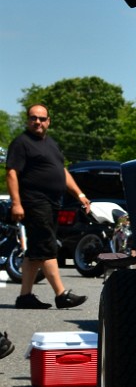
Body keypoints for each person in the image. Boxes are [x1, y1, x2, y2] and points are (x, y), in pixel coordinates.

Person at [5, 105, 90, 310]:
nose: (38, 122)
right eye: (33, 118)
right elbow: (11, 173)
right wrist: (16, 203)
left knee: (35, 250)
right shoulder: (21, 143)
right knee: (46, 245)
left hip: (53, 202)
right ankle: (61, 295)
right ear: (27, 120)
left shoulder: (50, 144)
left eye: (42, 119)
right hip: (34, 201)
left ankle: (25, 297)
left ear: (48, 121)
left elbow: (61, 172)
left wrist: (79, 194)